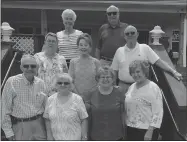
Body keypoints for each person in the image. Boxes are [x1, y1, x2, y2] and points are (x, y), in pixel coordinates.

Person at [111, 25, 182, 94]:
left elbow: (159, 62)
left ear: (137, 34)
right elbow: (114, 71)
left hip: (141, 85)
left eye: (132, 33)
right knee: (123, 106)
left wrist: (173, 72)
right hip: (123, 87)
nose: (130, 35)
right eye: (127, 34)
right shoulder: (119, 51)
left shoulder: (145, 48)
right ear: (124, 37)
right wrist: (113, 86)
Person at [1, 54, 47, 140]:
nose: (30, 68)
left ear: (37, 67)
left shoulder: (41, 83)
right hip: (20, 126)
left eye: (33, 66)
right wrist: (8, 132)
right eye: (26, 66)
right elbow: (4, 109)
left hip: (39, 124)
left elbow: (45, 106)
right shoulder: (12, 82)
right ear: (21, 67)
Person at [83, 66, 125, 140]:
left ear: (113, 79)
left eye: (108, 77)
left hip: (116, 135)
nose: (105, 79)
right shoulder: (90, 93)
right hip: (96, 136)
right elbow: (86, 117)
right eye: (102, 77)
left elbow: (124, 114)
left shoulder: (120, 92)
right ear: (98, 79)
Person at [125, 60, 163, 140]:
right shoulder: (131, 87)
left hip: (147, 131)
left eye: (138, 71)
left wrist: (150, 131)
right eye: (132, 72)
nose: (135, 74)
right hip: (131, 128)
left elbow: (158, 112)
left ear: (144, 72)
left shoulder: (153, 87)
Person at [43, 73, 88, 140]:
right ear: (55, 85)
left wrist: (84, 137)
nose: (63, 85)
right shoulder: (50, 99)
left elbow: (84, 119)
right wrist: (49, 136)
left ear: (71, 85)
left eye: (66, 83)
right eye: (59, 83)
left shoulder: (77, 99)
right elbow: (47, 119)